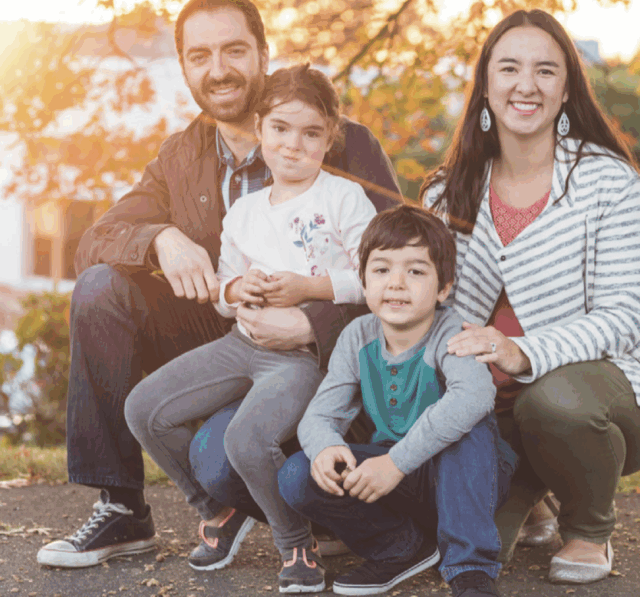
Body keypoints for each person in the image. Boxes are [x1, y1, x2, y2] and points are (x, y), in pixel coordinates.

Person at [36, 0, 400, 570]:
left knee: (220, 458)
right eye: (199, 55)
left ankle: (304, 512)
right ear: (184, 66)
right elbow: (95, 240)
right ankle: (124, 508)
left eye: (233, 50)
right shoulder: (180, 157)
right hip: (224, 335)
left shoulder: (344, 145)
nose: (218, 69)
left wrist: (309, 321)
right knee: (99, 288)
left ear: (262, 53)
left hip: (317, 352)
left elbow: (397, 264)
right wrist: (160, 237)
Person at [421, 9, 640, 585]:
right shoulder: (448, 190)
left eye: (546, 71)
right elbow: (433, 309)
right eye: (509, 68)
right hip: (489, 404)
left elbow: (623, 313)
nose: (526, 85)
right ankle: (532, 492)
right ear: (486, 85)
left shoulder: (609, 182)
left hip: (610, 392)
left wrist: (524, 351)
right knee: (463, 544)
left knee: (553, 400)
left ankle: (588, 528)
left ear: (566, 90)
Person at [123, 63, 377, 594]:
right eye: (280, 129)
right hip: (239, 343)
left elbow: (373, 278)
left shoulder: (343, 198)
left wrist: (308, 289)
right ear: (259, 129)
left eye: (311, 133)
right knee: (144, 409)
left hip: (303, 357)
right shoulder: (243, 210)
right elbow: (220, 290)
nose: (293, 145)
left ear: (330, 137)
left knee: (246, 437)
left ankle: (295, 544)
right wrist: (237, 290)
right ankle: (217, 509)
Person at [278, 205, 516, 597]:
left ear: (444, 287)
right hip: (401, 478)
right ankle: (400, 547)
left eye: (416, 271)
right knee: (298, 473)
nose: (396, 283)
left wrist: (394, 463)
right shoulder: (358, 336)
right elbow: (318, 415)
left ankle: (470, 568)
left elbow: (474, 397)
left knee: (469, 430)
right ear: (364, 281)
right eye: (382, 269)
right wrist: (325, 446)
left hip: (472, 478)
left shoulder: (452, 331)